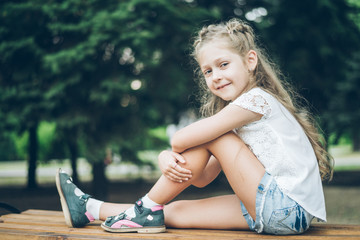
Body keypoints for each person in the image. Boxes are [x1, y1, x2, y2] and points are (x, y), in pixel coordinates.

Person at [56, 18, 333, 235]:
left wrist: (168, 151)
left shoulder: (257, 100)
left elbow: (183, 139)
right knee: (172, 211)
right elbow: (200, 178)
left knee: (212, 137)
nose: (216, 76)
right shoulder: (237, 116)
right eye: (208, 71)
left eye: (224, 64)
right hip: (283, 213)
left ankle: (147, 206)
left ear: (250, 61)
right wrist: (170, 157)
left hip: (284, 207)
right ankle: (90, 209)